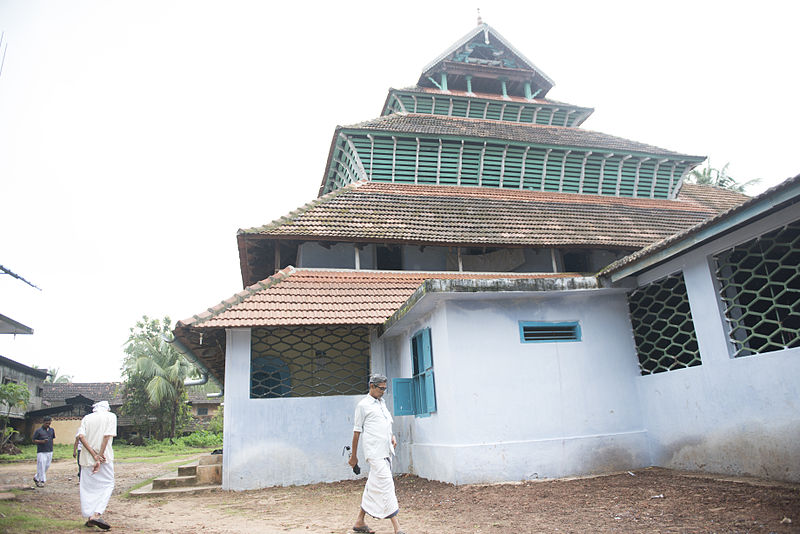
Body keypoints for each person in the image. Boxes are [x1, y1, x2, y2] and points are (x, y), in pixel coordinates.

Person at [348, 374, 405, 534]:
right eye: (381, 388)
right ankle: (397, 528)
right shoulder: (363, 405)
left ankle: (359, 521)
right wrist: (354, 456)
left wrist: (391, 436)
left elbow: (385, 424)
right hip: (374, 453)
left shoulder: (382, 403)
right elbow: (356, 432)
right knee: (387, 485)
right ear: (371, 386)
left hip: (386, 451)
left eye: (385, 389)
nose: (383, 392)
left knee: (373, 486)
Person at [77, 400, 117, 531]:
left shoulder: (87, 418)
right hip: (105, 458)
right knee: (108, 484)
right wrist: (99, 456)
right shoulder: (111, 416)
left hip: (86, 458)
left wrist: (94, 455)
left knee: (88, 488)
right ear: (107, 408)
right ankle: (96, 514)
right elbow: (106, 437)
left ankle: (89, 519)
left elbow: (81, 437)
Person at [32, 416, 55, 487]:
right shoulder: (38, 431)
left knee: (46, 466)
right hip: (41, 451)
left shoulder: (52, 430)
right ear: (43, 422)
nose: (48, 424)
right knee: (41, 466)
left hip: (49, 450)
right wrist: (41, 441)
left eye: (49, 423)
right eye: (47, 423)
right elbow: (33, 440)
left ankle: (36, 477)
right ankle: (42, 480)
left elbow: (52, 439)